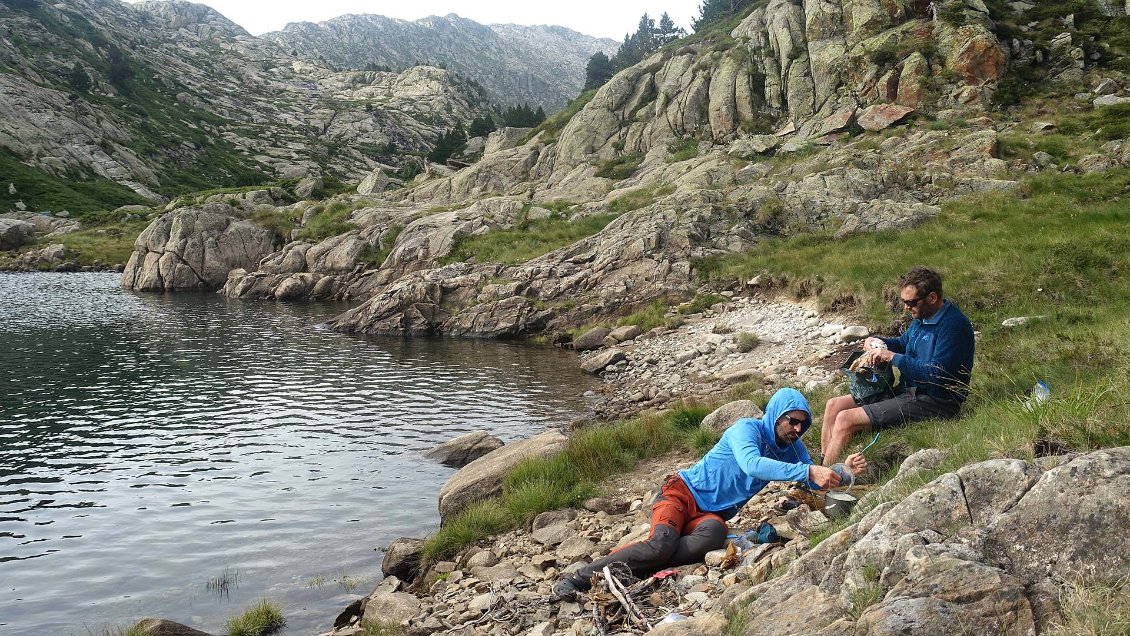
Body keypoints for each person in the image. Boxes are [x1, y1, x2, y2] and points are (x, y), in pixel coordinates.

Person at [551, 387, 867, 600]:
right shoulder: (746, 429)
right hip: (681, 493)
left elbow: (813, 479)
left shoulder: (792, 448)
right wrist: (807, 471)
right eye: (792, 421)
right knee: (661, 543)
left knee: (713, 535)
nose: (798, 430)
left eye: (804, 425)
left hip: (710, 516)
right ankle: (581, 577)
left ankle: (637, 566)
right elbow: (752, 464)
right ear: (776, 414)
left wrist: (842, 470)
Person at [821, 266, 975, 466]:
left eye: (910, 302)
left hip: (934, 400)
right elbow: (903, 343)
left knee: (845, 419)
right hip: (907, 391)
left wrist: (892, 357)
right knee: (834, 406)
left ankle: (823, 485)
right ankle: (822, 465)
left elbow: (937, 374)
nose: (906, 307)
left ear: (932, 298)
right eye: (903, 302)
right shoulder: (922, 317)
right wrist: (878, 342)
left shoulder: (953, 326)